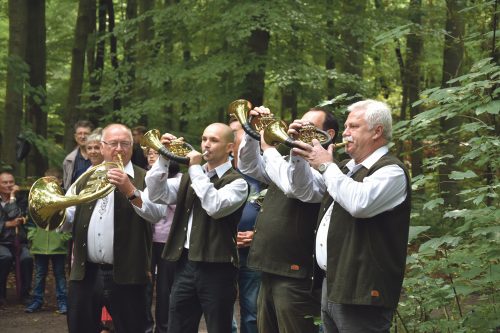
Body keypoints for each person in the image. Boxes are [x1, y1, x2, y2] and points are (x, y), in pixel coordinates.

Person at [291, 99, 411, 333]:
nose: (345, 133)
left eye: (353, 127)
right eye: (345, 127)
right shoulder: (345, 168)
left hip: (363, 291)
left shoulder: (391, 170)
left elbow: (359, 203)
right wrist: (296, 152)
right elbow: (303, 190)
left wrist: (326, 166)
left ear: (377, 131)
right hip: (333, 283)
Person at [237, 106, 339, 333]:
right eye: (300, 123)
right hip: (269, 267)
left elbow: (296, 188)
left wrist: (268, 148)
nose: (301, 128)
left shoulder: (329, 170)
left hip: (297, 276)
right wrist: (252, 132)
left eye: (309, 126)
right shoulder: (283, 162)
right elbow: (248, 165)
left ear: (328, 135)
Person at [145, 123, 248, 333]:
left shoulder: (238, 183)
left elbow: (214, 206)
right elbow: (156, 194)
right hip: (185, 264)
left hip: (218, 268)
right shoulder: (190, 178)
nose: (206, 145)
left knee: (219, 328)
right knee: (177, 327)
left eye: (213, 140)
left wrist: (193, 168)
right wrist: (164, 157)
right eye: (204, 139)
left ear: (230, 147)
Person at [64, 123, 166, 333]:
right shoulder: (85, 178)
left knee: (133, 327)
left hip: (127, 274)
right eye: (113, 143)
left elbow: (156, 214)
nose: (119, 149)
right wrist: (53, 213)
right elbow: (67, 220)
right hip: (86, 273)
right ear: (102, 147)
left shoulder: (145, 177)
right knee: (79, 327)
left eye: (125, 144)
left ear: (132, 147)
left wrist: (129, 189)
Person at [229, 119, 263, 333]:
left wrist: (257, 235)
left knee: (252, 312)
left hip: (254, 253)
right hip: (224, 251)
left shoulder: (265, 174)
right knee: (223, 311)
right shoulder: (220, 174)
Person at [25, 168, 72, 314]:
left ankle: (63, 302)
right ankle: (37, 301)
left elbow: (70, 222)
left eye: (53, 181)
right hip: (39, 246)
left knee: (59, 275)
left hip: (58, 246)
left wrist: (63, 239)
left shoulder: (65, 200)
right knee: (39, 275)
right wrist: (32, 237)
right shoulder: (38, 199)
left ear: (60, 182)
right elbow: (31, 222)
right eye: (47, 181)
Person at [145, 148, 181, 333]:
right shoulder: (145, 177)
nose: (151, 155)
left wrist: (161, 191)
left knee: (165, 289)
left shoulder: (181, 179)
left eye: (156, 153)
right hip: (148, 242)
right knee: (144, 287)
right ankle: (145, 326)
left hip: (169, 242)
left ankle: (164, 328)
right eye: (149, 152)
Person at [0, 170, 33, 306]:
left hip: (19, 240)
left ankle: (25, 294)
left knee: (27, 258)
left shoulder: (21, 198)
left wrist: (13, 197)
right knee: (4, 257)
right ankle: (1, 295)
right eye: (5, 182)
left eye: (11, 182)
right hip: (2, 242)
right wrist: (7, 224)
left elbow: (17, 215)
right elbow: (13, 220)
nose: (9, 185)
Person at [63, 120, 94, 191]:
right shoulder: (68, 160)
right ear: (75, 136)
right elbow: (66, 186)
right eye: (80, 133)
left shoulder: (101, 157)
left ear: (92, 135)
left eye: (86, 133)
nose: (82, 136)